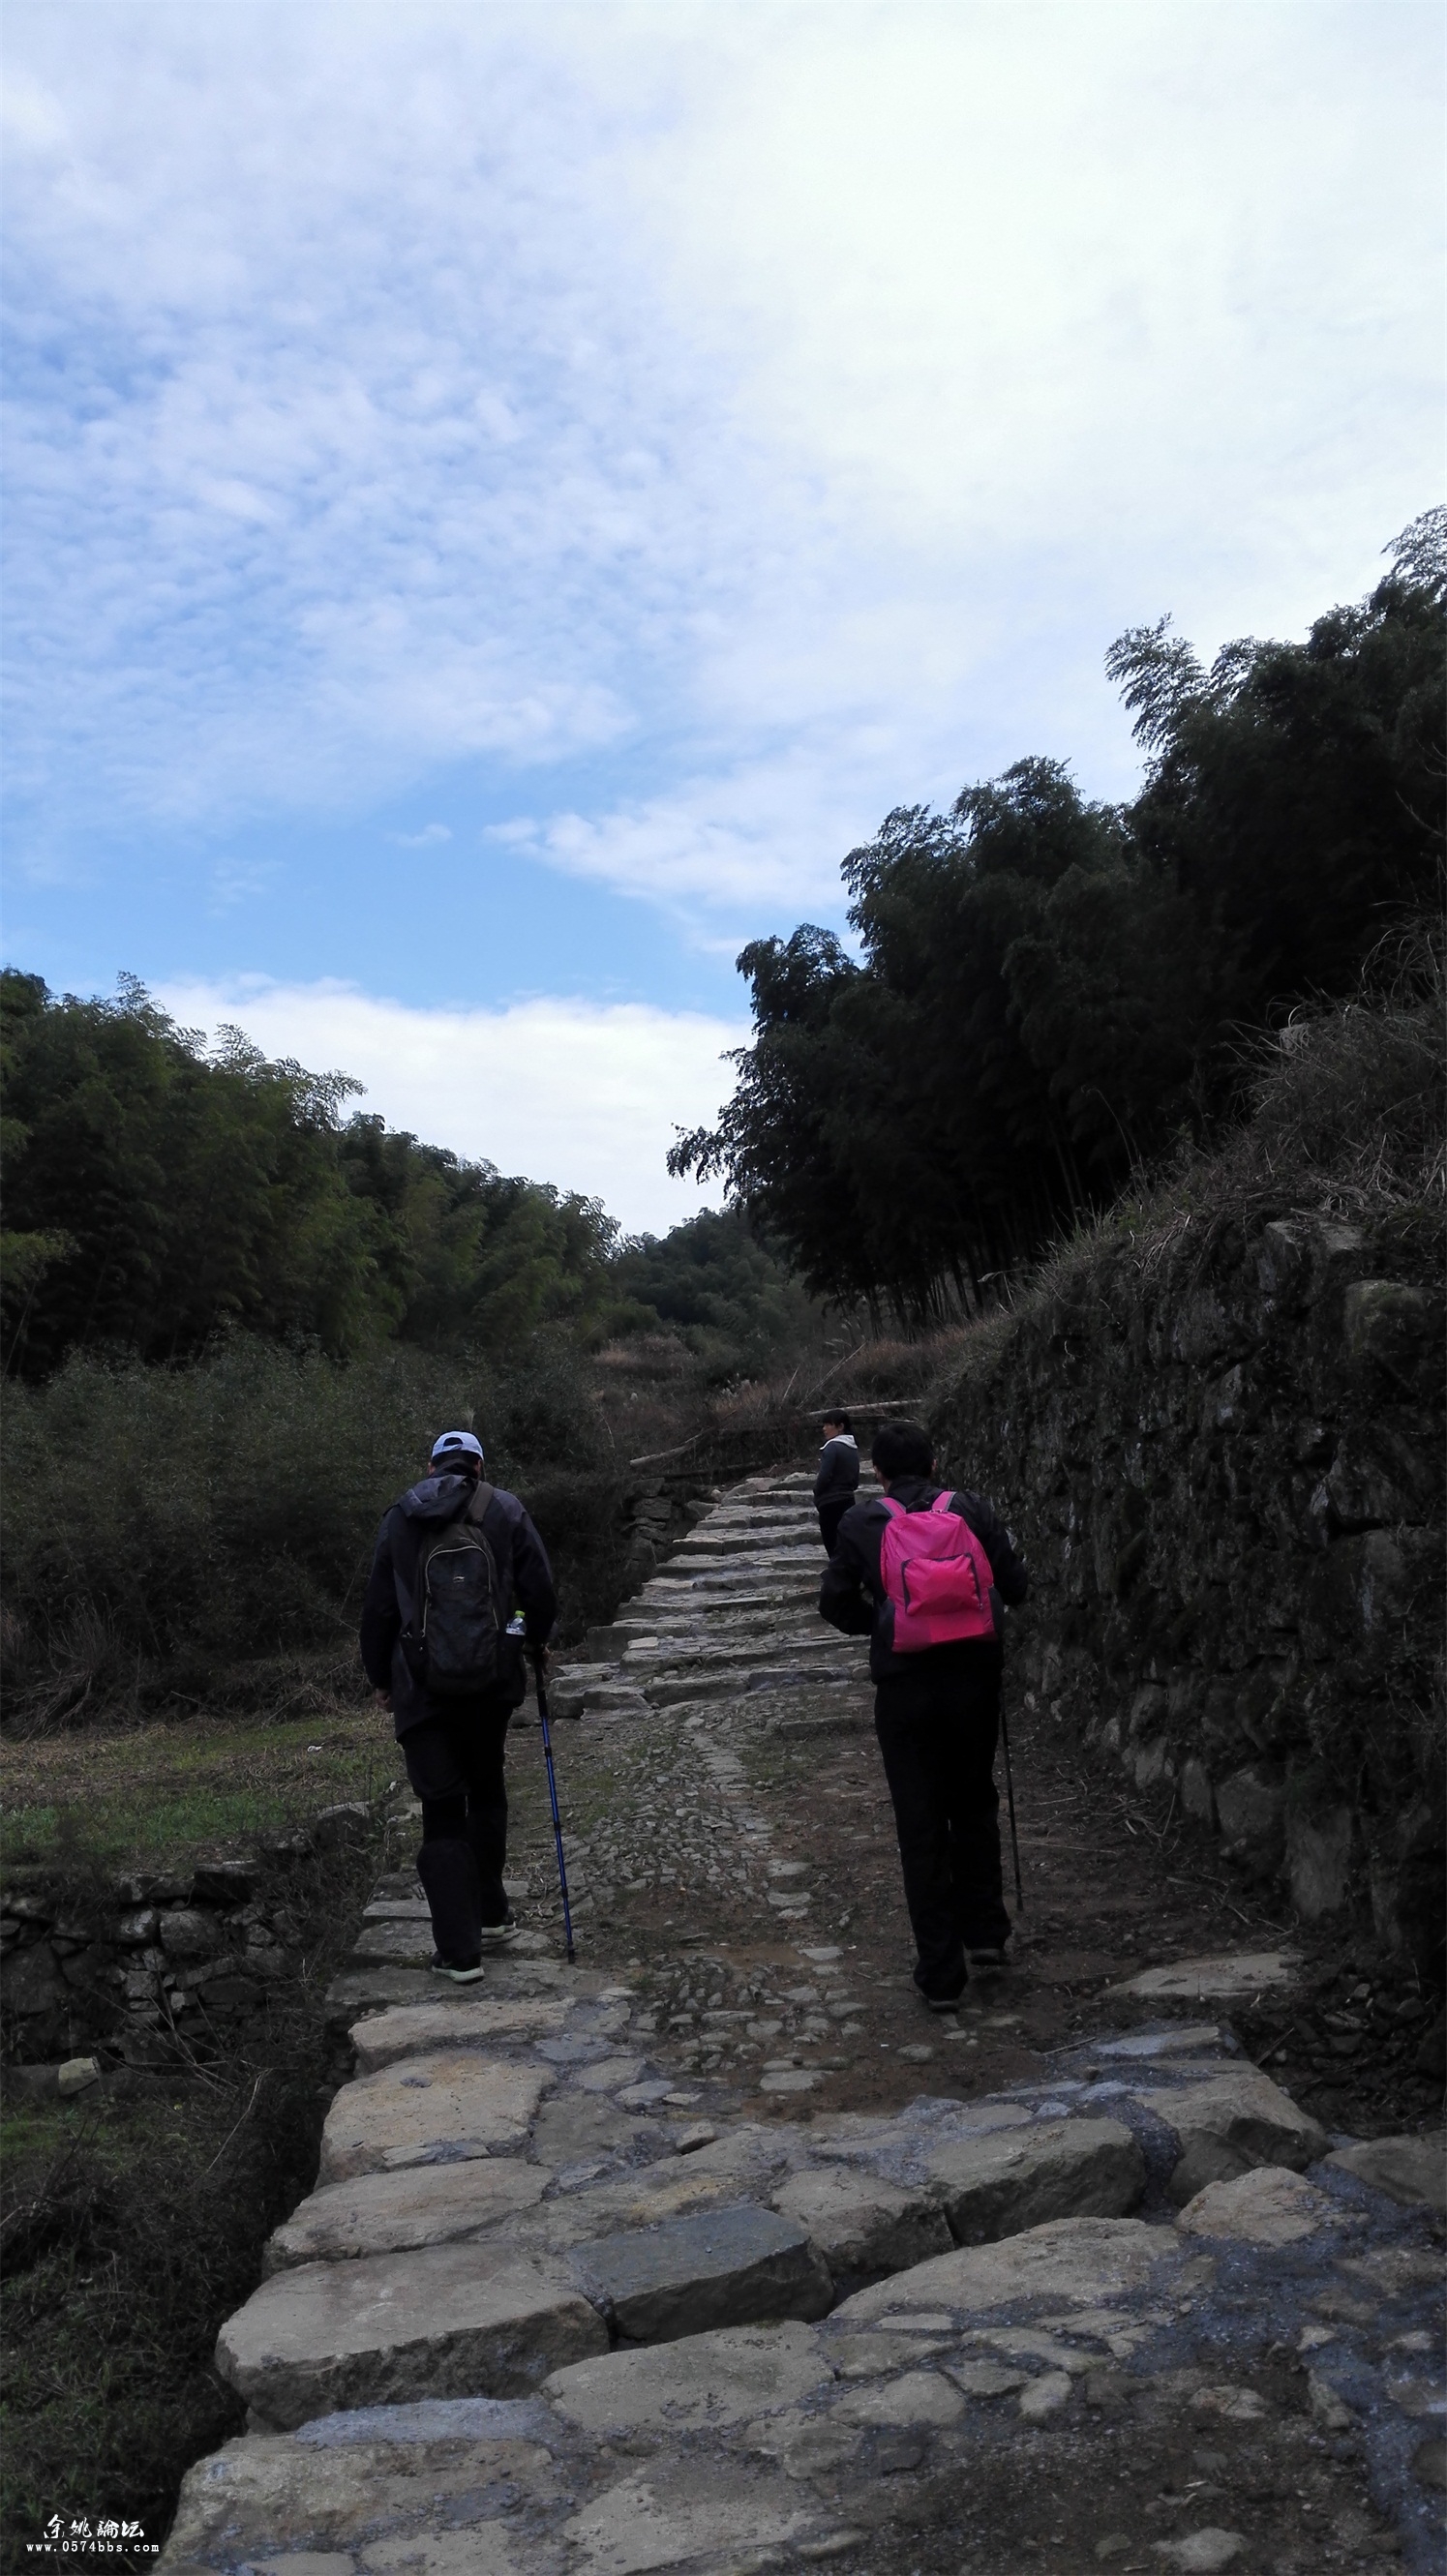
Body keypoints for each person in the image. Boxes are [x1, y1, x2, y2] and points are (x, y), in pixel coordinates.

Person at [820, 1418, 1027, 2011]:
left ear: (877, 1473)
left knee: (920, 1821)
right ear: (934, 1465)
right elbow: (1016, 1586)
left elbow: (832, 1602)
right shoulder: (970, 1509)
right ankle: (986, 1934)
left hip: (906, 1692)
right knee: (974, 1801)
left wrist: (885, 1625)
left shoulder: (862, 1521)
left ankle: (940, 1973)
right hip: (973, 1682)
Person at [360, 1429, 558, 1983]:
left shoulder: (400, 1517)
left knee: (442, 1808)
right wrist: (533, 1639)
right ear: (478, 1465)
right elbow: (539, 1592)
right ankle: (492, 1913)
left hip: (420, 1688)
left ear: (431, 1467)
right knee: (487, 1788)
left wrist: (381, 1677)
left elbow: (378, 1607)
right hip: (490, 1683)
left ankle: (459, 1951)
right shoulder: (505, 1509)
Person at [813, 1410, 860, 1552]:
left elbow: (824, 1476)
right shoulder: (852, 1448)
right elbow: (856, 1481)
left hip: (830, 1503)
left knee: (832, 1546)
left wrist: (817, 1491)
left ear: (840, 1427)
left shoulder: (832, 1447)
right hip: (848, 1500)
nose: (824, 1429)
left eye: (828, 1425)